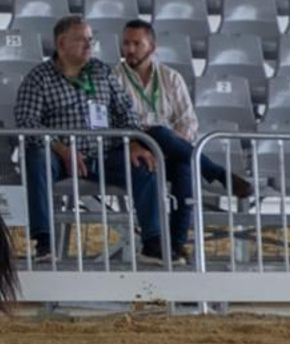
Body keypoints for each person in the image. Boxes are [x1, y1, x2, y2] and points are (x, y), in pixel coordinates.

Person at [14, 14, 166, 265]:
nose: (89, 45)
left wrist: (135, 142)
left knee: (143, 162)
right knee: (37, 158)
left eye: (90, 39)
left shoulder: (101, 71)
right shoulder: (39, 78)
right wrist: (62, 149)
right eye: (81, 39)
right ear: (61, 44)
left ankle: (153, 242)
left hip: (104, 153)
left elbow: (126, 111)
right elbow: (27, 122)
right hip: (60, 157)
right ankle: (43, 241)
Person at [118, 19, 254, 228]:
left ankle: (177, 242)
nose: (130, 49)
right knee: (158, 133)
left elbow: (188, 122)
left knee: (182, 164)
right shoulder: (113, 78)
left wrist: (173, 145)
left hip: (169, 152)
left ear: (152, 47)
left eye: (137, 44)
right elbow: (112, 123)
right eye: (126, 43)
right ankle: (219, 174)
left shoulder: (171, 78)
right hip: (132, 152)